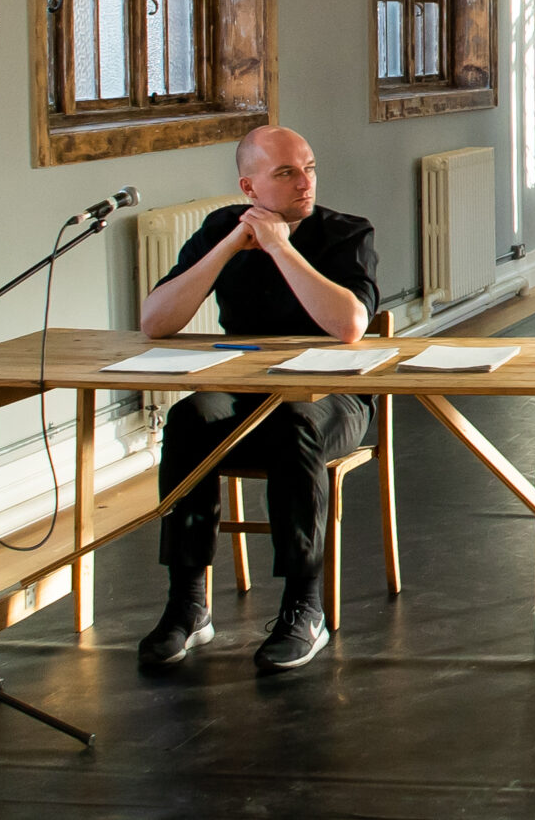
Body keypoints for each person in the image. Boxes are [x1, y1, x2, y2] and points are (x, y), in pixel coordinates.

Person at [135, 126, 378, 673]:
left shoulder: (347, 233)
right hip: (245, 394)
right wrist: (229, 247)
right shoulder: (222, 228)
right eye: (286, 172)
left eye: (309, 167)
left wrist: (280, 247)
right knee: (190, 417)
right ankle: (188, 604)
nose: (304, 182)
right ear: (249, 186)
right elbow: (155, 322)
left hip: (332, 399)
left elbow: (349, 327)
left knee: (296, 421)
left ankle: (302, 607)